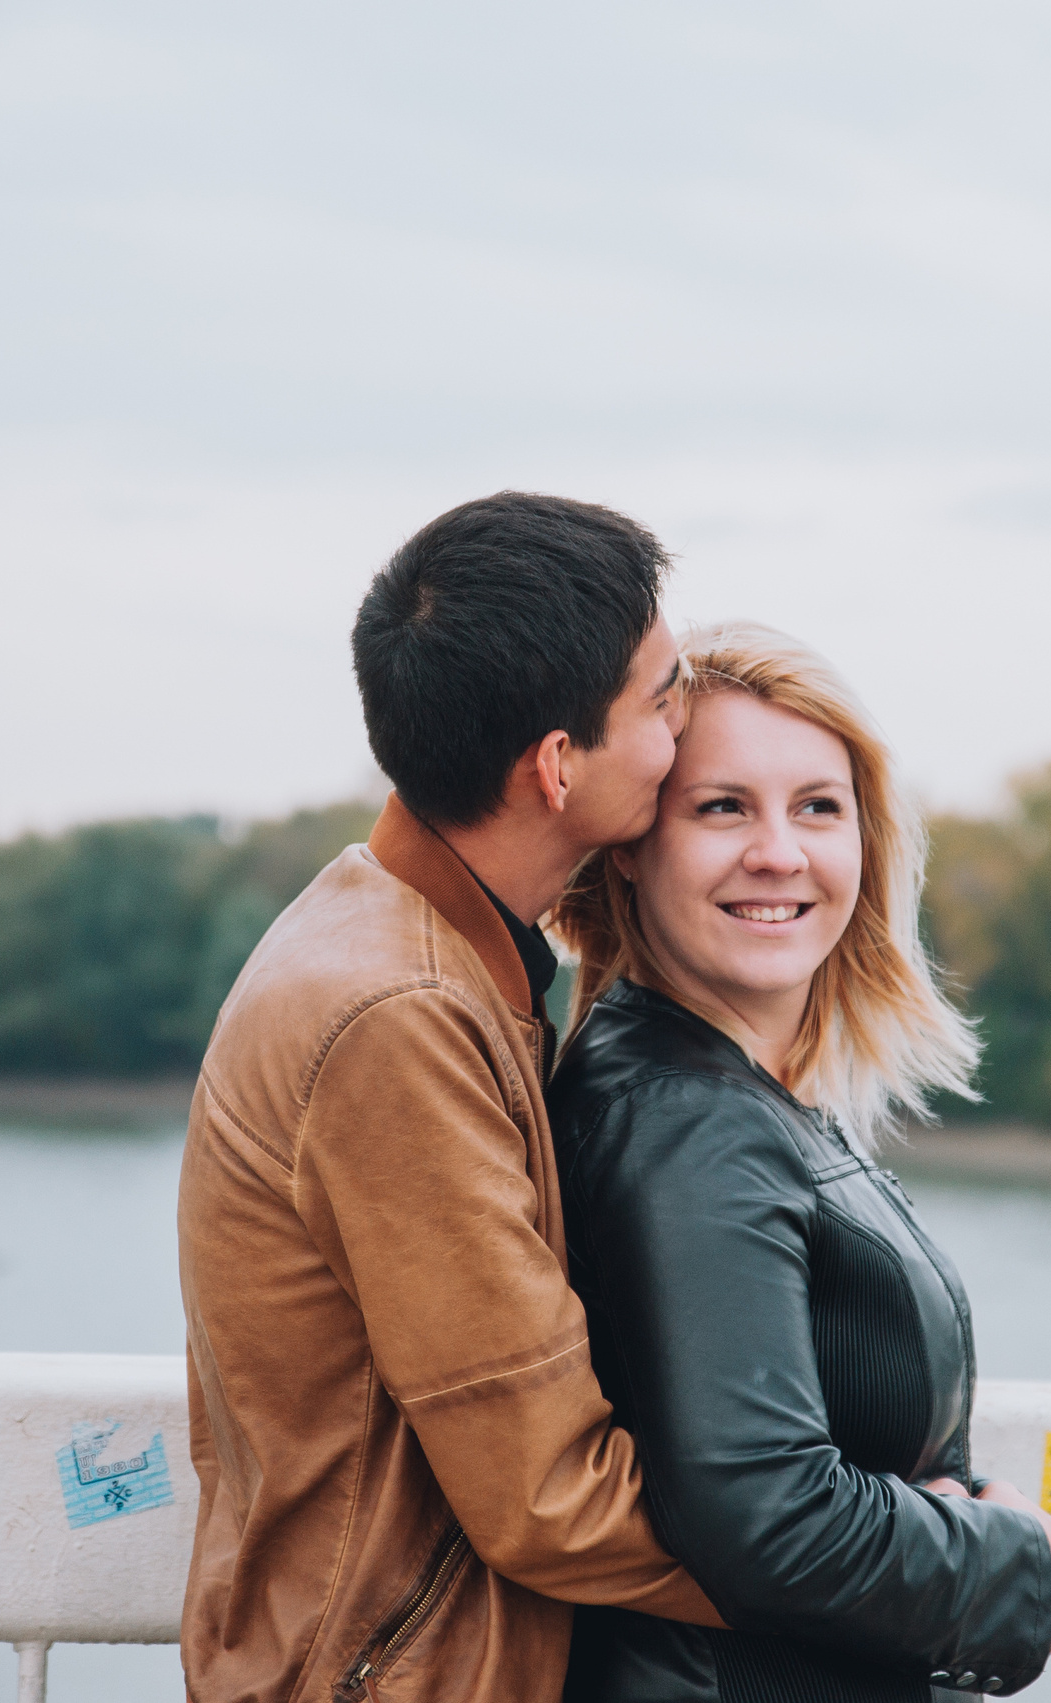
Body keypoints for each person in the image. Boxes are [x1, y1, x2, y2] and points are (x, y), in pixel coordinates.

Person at [176, 493, 721, 1703]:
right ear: (557, 764)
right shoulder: (396, 1016)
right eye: (664, 697)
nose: (690, 729)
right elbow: (549, 1500)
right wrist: (889, 1567)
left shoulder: (412, 942)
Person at [548, 622, 1051, 1702]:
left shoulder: (739, 1092)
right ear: (629, 839)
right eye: (722, 807)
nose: (778, 852)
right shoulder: (684, 1121)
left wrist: (965, 1510)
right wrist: (1005, 1563)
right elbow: (767, 1513)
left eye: (817, 806)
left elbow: (817, 1438)